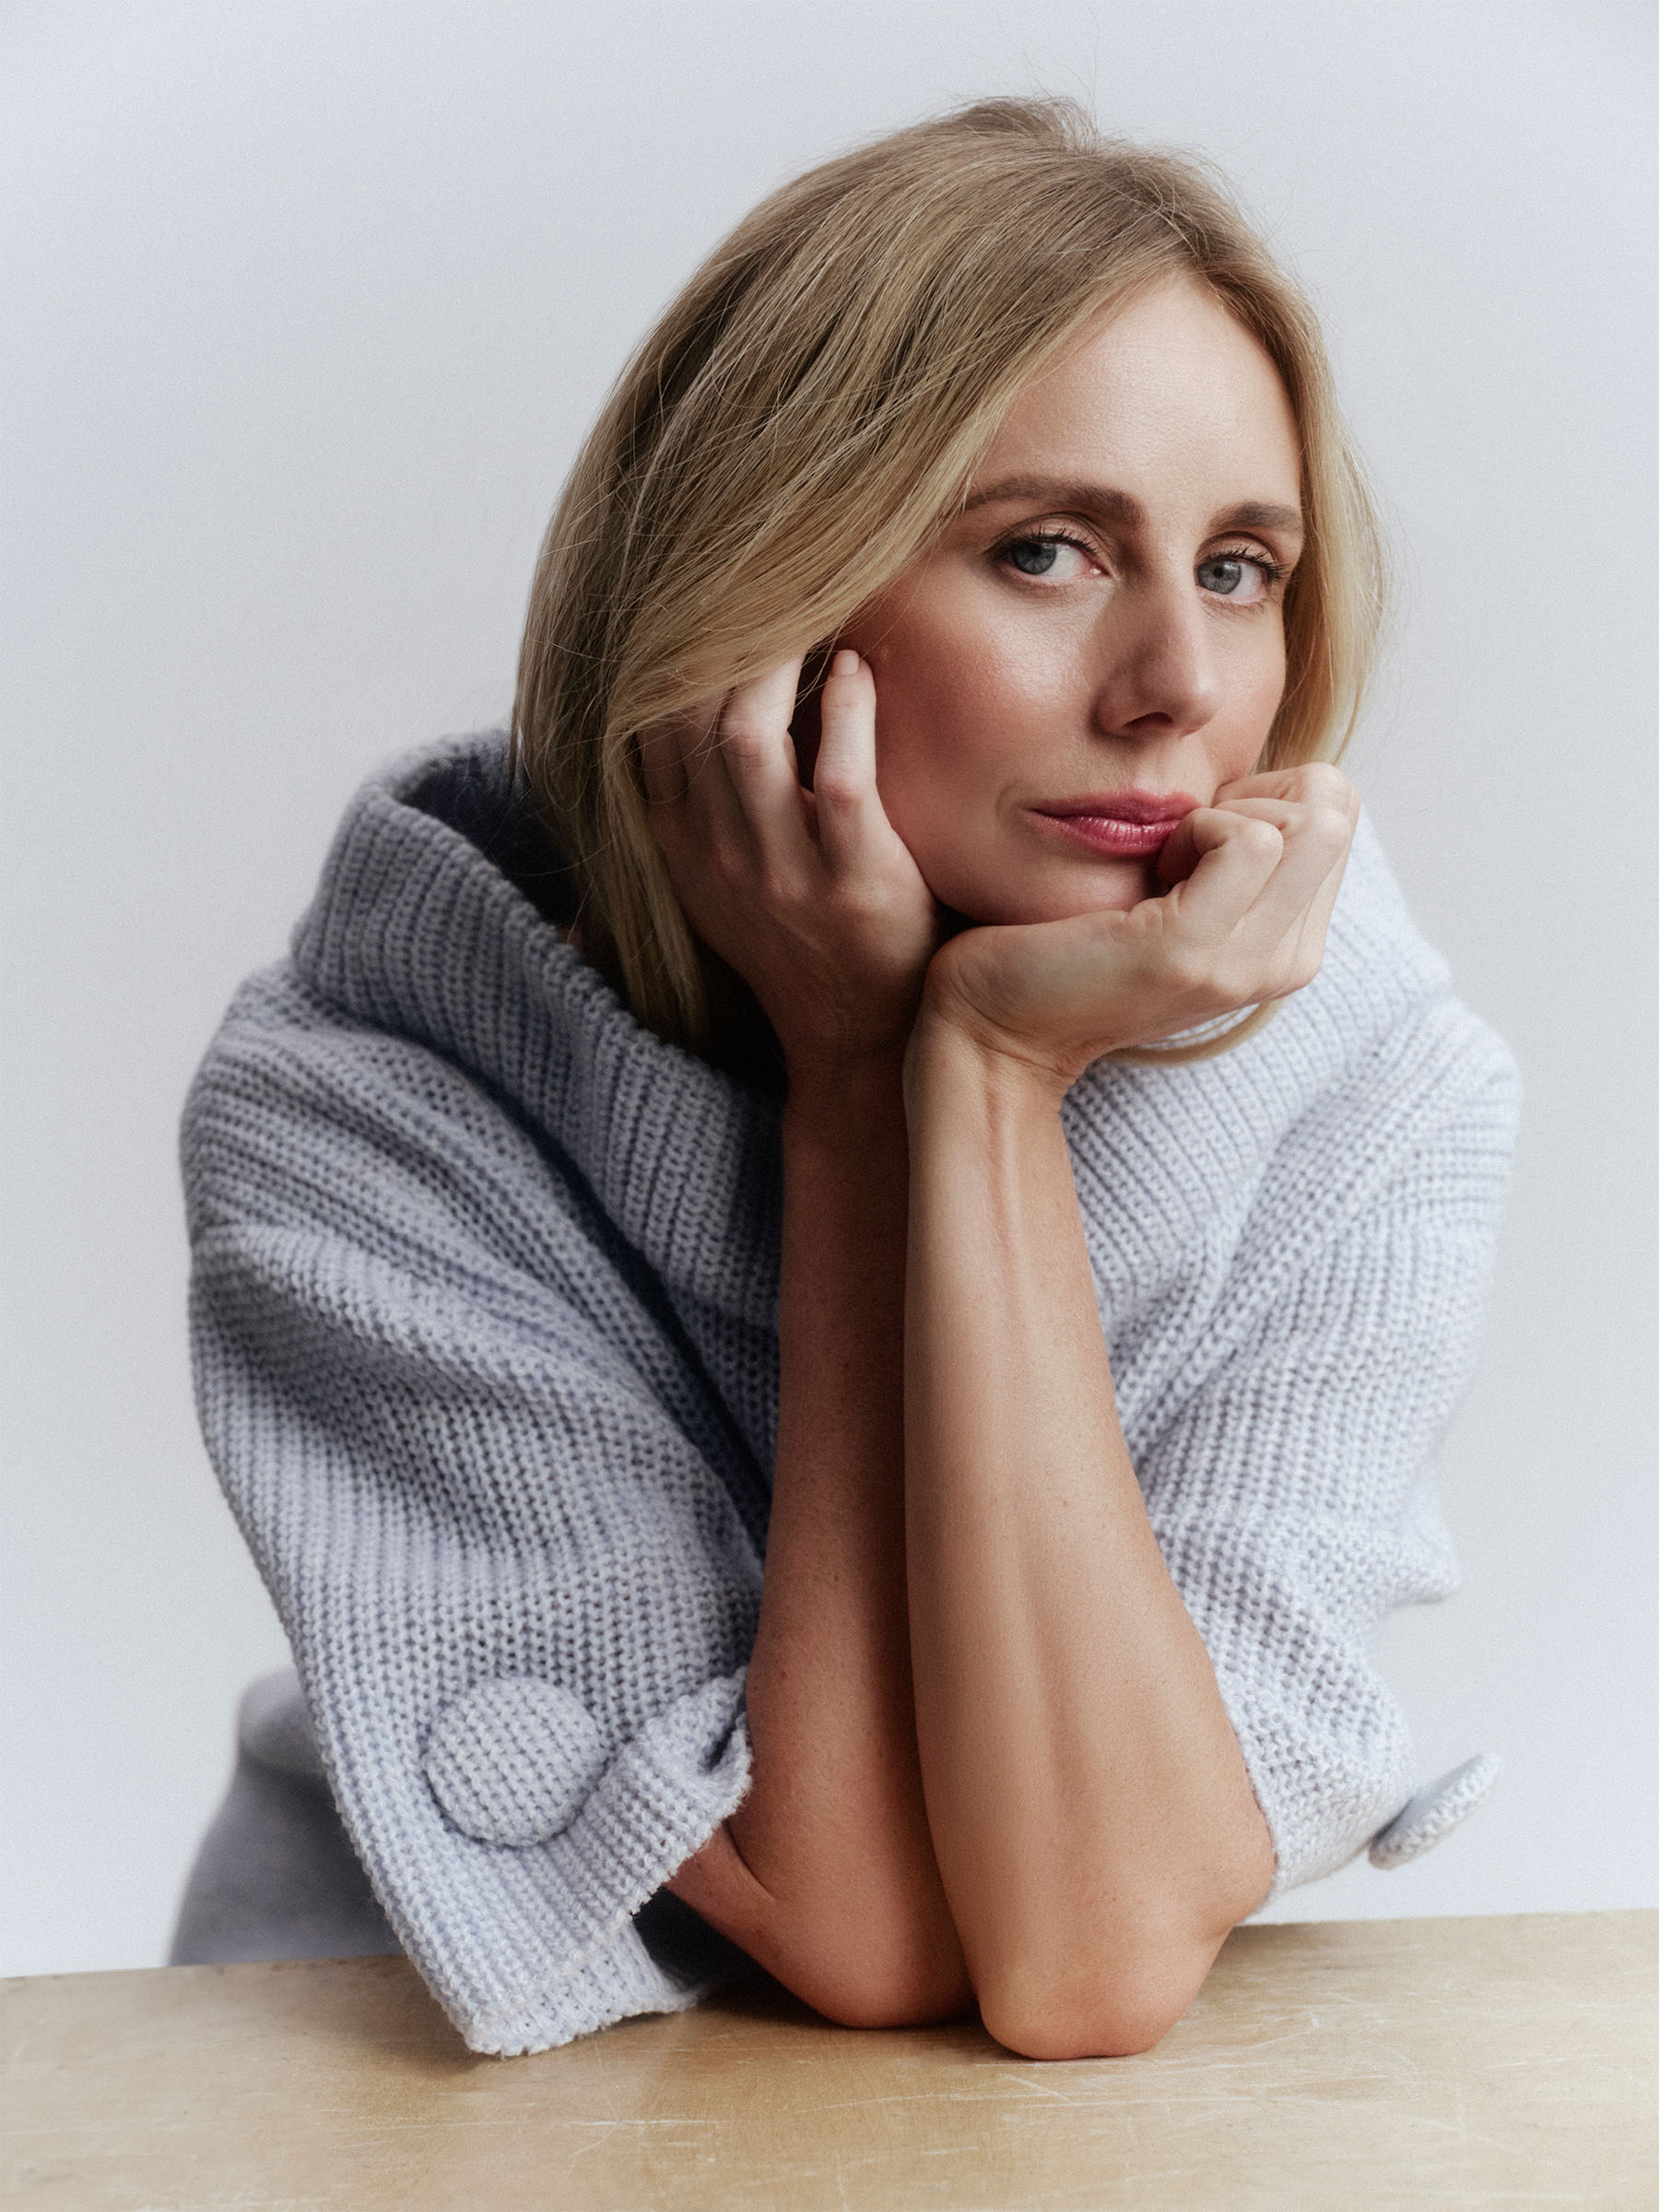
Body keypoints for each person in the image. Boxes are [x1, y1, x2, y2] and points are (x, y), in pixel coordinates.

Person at [171, 98, 1519, 2061]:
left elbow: (1092, 1953)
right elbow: (860, 1927)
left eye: (1241, 567)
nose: (1174, 685)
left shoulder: (1377, 1082)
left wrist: (980, 1071)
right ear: (766, 590)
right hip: (414, 2133)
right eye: (1046, 550)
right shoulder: (360, 1118)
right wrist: (858, 1085)